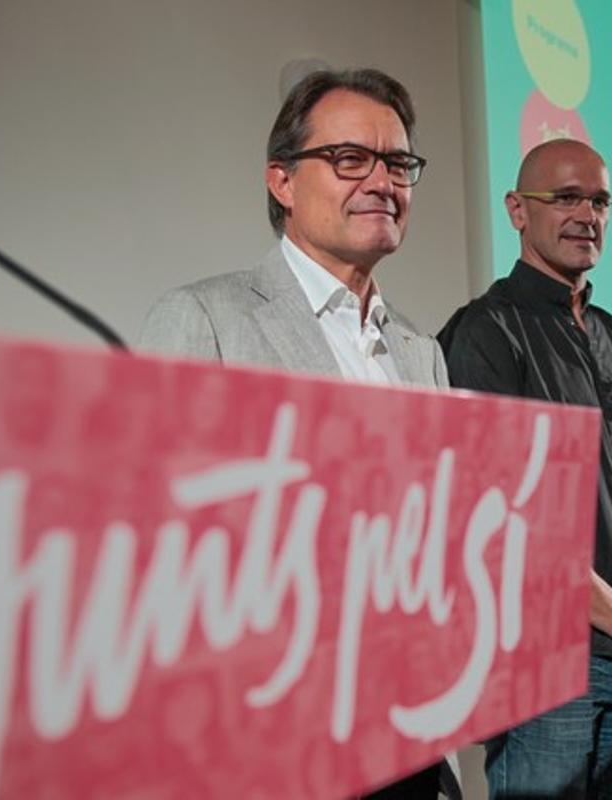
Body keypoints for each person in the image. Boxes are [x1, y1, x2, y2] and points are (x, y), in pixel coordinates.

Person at [138, 67, 454, 800]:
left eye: (398, 163)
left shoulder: (421, 349)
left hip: (404, 732)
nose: (382, 180)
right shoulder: (206, 318)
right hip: (266, 743)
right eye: (350, 159)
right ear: (282, 181)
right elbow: (160, 545)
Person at [439, 139, 612, 799]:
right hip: (546, 669)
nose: (587, 214)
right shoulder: (485, 333)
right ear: (517, 210)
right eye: (566, 198)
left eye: (600, 200)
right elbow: (505, 521)